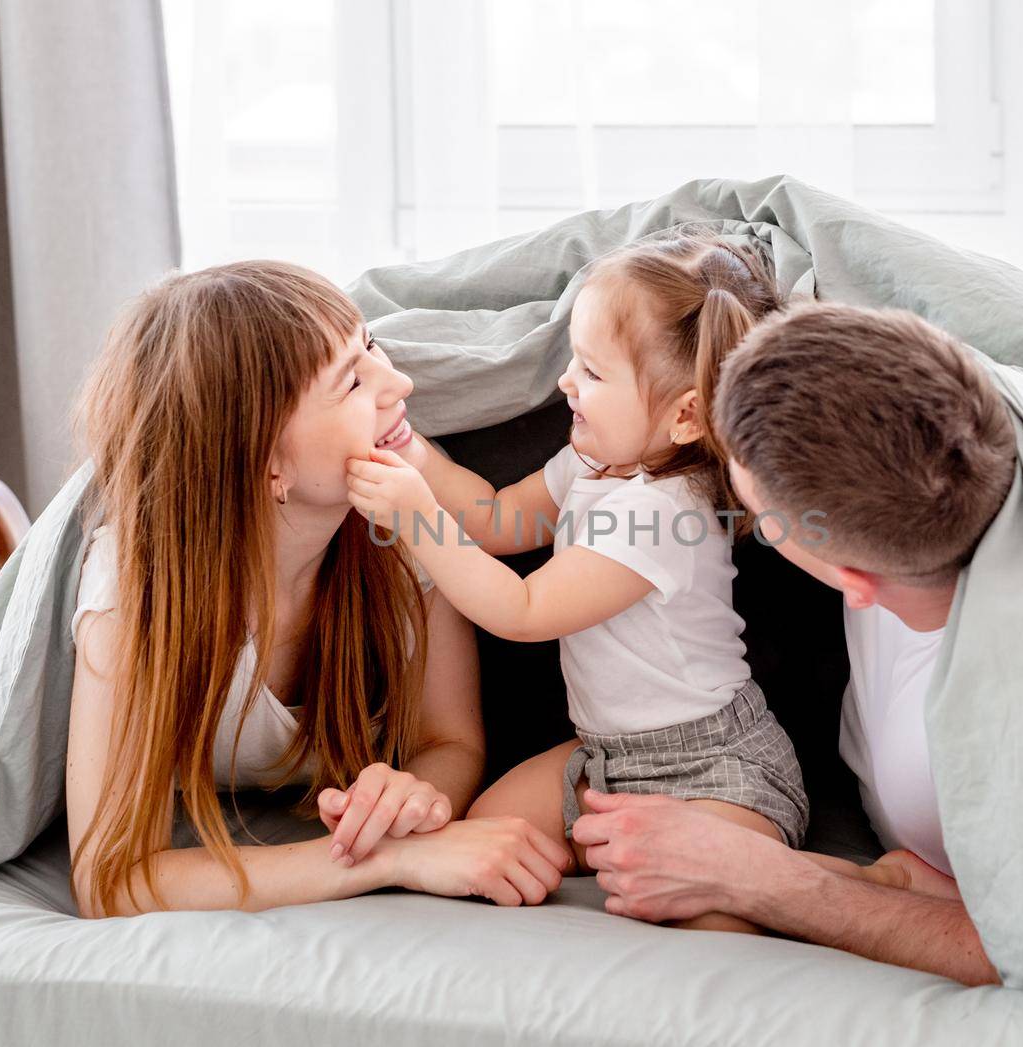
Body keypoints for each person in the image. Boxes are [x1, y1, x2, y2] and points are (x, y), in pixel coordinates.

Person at [343, 235, 911, 932]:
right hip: (607, 756)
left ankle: (859, 881)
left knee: (718, 926)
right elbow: (491, 519)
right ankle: (613, 854)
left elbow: (523, 609)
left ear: (684, 416)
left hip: (713, 767)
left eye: (591, 371)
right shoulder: (592, 460)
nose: (565, 385)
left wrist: (414, 521)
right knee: (491, 832)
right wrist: (412, 450)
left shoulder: (663, 512)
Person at [64, 260, 568, 918]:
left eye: (371, 348)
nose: (401, 383)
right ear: (268, 459)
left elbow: (452, 739)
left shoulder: (403, 508)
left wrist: (411, 794)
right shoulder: (135, 592)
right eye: (353, 382)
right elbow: (110, 876)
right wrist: (390, 858)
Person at [572, 303, 1016, 985]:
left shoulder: (978, 736)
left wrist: (757, 877)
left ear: (848, 578)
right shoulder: (932, 447)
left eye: (744, 487)